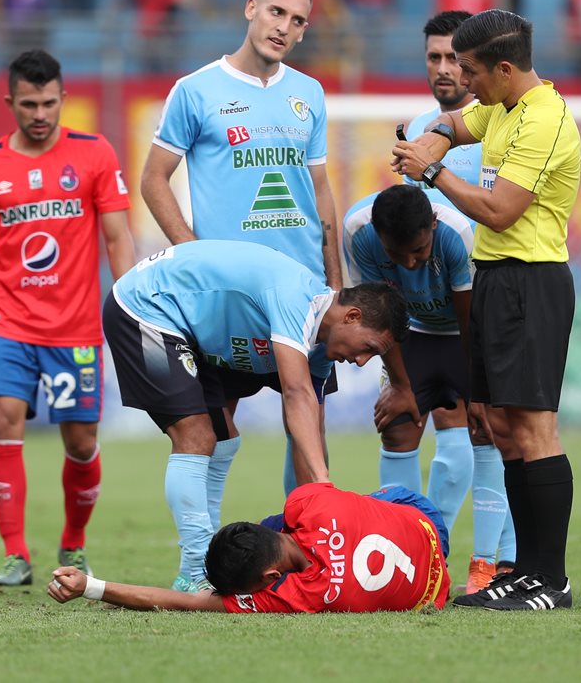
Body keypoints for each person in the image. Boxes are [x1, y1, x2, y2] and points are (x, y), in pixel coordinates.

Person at [391, 9, 581, 611]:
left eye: (470, 69)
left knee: (534, 430)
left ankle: (551, 580)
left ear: (503, 68)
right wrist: (437, 135)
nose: (462, 80)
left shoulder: (544, 119)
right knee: (500, 428)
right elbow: (456, 119)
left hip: (533, 281)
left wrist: (434, 170)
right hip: (497, 279)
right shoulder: (499, 105)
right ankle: (523, 571)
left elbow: (499, 211)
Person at [139, 0, 342, 521]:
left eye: (297, 21)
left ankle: (311, 544)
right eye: (277, 12)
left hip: (301, 289)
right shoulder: (195, 90)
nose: (284, 27)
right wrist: (193, 254)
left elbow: (320, 190)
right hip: (227, 296)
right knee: (213, 430)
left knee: (308, 426)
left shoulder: (309, 94)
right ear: (251, 9)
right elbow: (153, 178)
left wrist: (336, 281)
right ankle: (202, 557)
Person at [102, 239, 409, 592]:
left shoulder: (323, 345)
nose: (360, 362)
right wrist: (325, 486)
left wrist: (315, 515)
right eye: (368, 349)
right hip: (146, 306)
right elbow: (296, 394)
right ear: (352, 317)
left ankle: (199, 568)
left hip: (192, 326)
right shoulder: (296, 299)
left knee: (223, 440)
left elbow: (306, 427)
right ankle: (196, 570)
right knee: (195, 436)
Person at [0, 49, 136, 586]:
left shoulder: (95, 153)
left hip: (75, 329)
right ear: (10, 101)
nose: (39, 113)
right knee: (4, 421)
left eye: (48, 103)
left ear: (63, 100)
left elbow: (117, 237)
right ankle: (15, 555)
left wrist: (130, 310)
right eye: (28, 103)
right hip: (7, 324)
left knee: (80, 443)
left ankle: (73, 546)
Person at [344, 185, 517, 595]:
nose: (409, 263)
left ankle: (484, 565)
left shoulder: (457, 234)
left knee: (485, 430)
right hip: (411, 334)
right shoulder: (357, 231)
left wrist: (478, 393)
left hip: (464, 333)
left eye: (419, 252)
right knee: (399, 423)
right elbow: (379, 315)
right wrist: (401, 387)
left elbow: (470, 319)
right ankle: (406, 554)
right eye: (396, 255)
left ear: (433, 226)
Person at [398, 14, 519, 593]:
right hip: (437, 311)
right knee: (440, 432)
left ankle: (505, 560)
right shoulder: (422, 128)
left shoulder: (512, 119)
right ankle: (428, 556)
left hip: (499, 296)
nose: (445, 70)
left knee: (508, 429)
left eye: (455, 59)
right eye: (434, 59)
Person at [47, 482, 450, 613]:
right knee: (374, 497)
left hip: (433, 590)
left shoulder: (299, 595)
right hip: (428, 526)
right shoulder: (307, 501)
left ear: (271, 577)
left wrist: (91, 586)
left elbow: (184, 602)